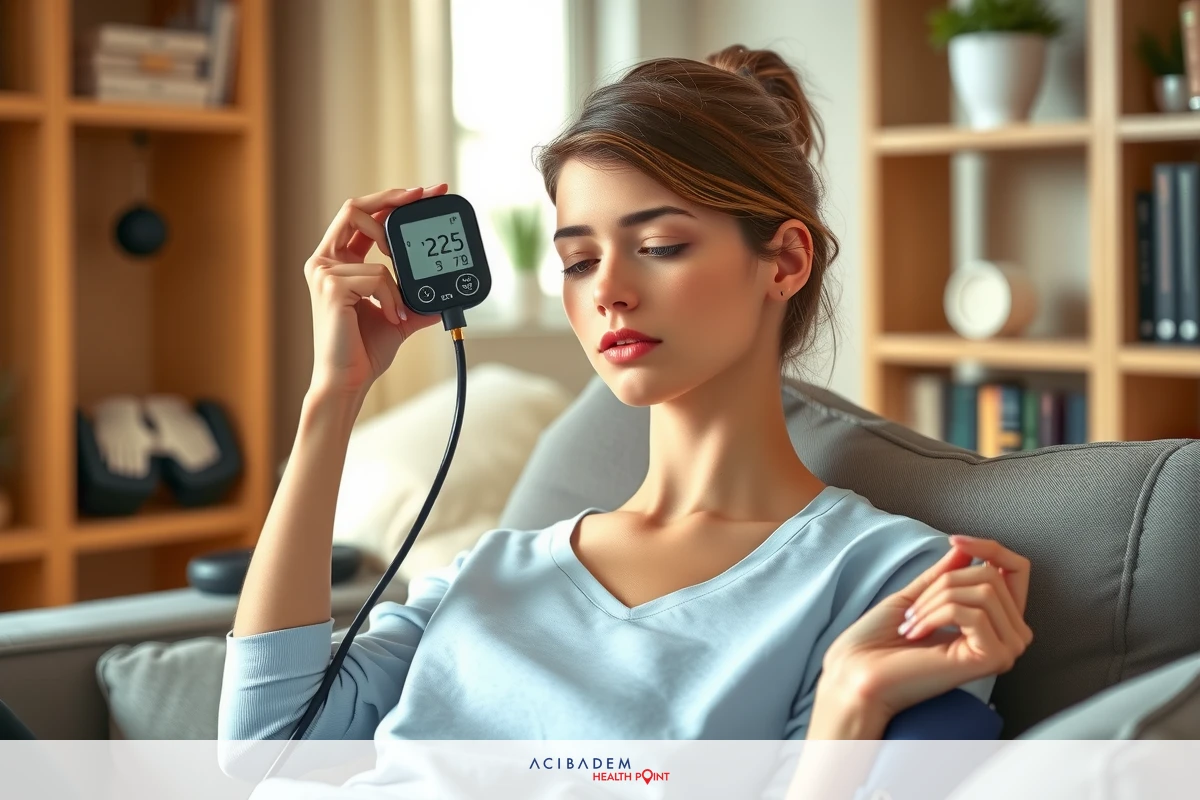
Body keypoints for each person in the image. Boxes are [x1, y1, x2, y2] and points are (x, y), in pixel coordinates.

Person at [217, 44, 1034, 794]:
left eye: (660, 245)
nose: (606, 289)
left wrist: (848, 708)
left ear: (783, 261)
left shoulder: (892, 582)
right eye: (578, 260)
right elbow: (262, 747)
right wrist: (333, 398)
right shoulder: (491, 571)